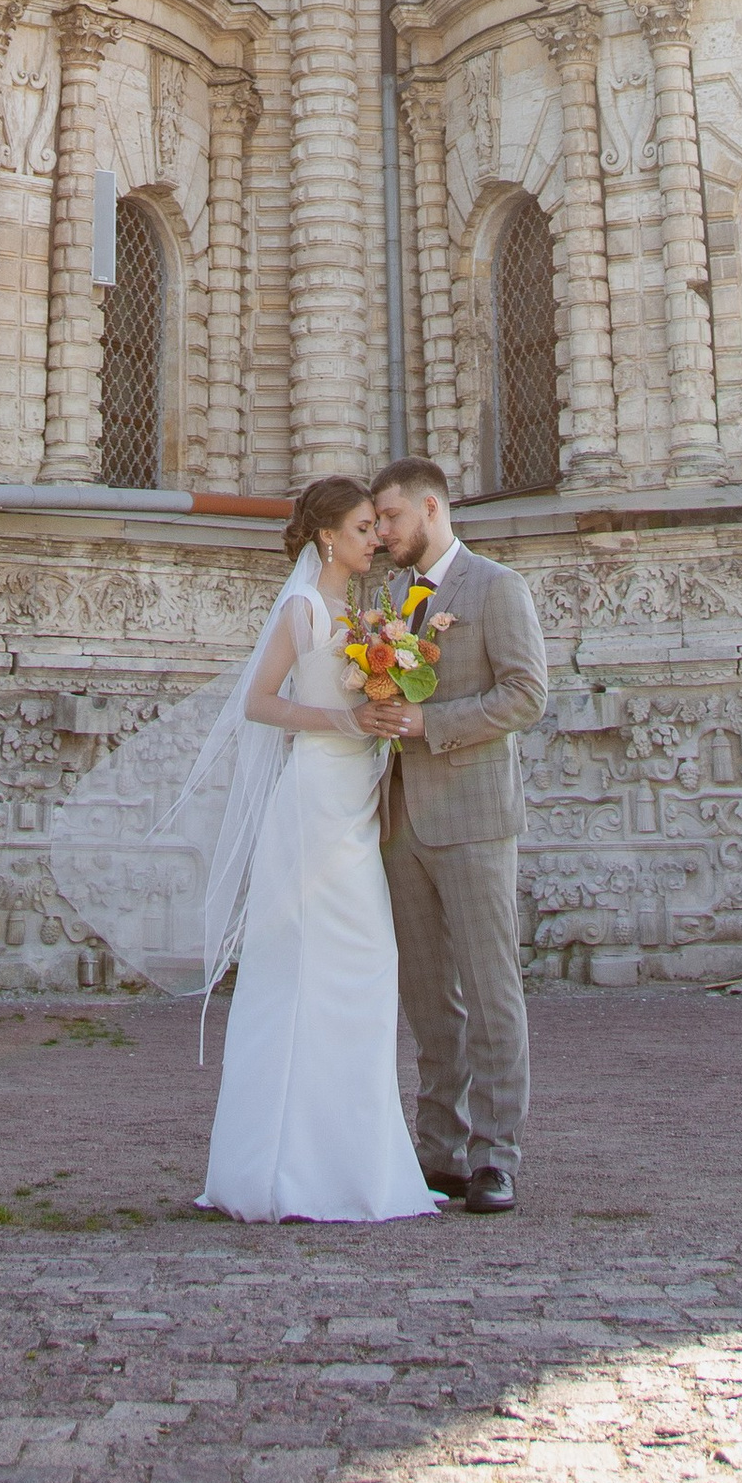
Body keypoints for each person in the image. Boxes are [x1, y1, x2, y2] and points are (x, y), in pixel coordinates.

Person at [193, 478, 439, 1223]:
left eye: (377, 527)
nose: (377, 539)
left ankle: (357, 1162)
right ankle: (277, 1169)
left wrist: (391, 698)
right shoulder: (303, 608)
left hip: (354, 803)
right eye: (365, 528)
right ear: (328, 537)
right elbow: (259, 703)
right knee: (302, 973)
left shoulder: (363, 615)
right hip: (312, 804)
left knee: (363, 969)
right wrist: (347, 722)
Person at [371, 457, 550, 1214]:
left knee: (489, 987)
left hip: (473, 818)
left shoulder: (495, 587)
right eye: (377, 523)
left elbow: (526, 694)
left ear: (432, 509)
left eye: (391, 519)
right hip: (401, 820)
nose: (381, 534)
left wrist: (431, 723)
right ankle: (437, 1150)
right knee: (427, 996)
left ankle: (496, 1155)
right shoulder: (391, 597)